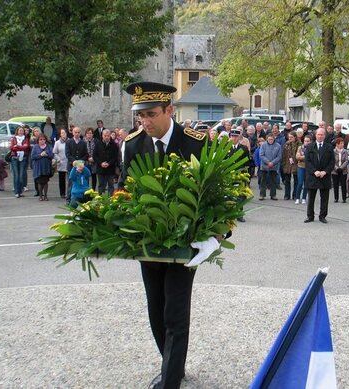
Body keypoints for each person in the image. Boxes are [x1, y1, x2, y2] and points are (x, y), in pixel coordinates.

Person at [122, 81, 213, 389]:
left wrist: (215, 236)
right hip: (149, 245)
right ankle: (173, 365)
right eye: (140, 116)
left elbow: (220, 192)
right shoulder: (133, 145)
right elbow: (125, 191)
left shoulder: (196, 143)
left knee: (175, 313)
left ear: (169, 110)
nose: (144, 122)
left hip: (184, 244)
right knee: (156, 314)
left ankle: (170, 381)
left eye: (150, 114)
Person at [304, 128, 335, 223]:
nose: (320, 136)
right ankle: (310, 216)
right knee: (311, 198)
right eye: (318, 134)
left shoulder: (329, 147)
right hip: (312, 176)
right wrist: (315, 171)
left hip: (324, 176)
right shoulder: (309, 147)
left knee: (324, 198)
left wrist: (325, 172)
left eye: (322, 135)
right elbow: (307, 161)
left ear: (325, 136)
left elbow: (332, 162)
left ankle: (322, 216)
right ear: (315, 135)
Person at [228, 128, 249, 222]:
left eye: (236, 136)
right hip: (229, 174)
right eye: (232, 136)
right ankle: (229, 214)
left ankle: (239, 214)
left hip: (240, 174)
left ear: (239, 137)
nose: (234, 138)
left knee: (240, 195)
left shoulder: (243, 148)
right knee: (229, 194)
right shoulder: (226, 148)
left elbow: (247, 161)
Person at [65, 127, 88, 204]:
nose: (77, 134)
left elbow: (86, 154)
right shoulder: (68, 142)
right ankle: (69, 199)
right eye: (75, 132)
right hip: (71, 165)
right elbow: (67, 154)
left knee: (81, 182)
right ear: (73, 133)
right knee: (71, 182)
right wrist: (74, 161)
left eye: (78, 132)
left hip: (81, 166)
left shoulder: (83, 142)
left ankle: (81, 198)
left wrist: (80, 162)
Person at [94, 129, 118, 196]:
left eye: (108, 136)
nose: (106, 137)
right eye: (105, 136)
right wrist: (101, 163)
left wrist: (109, 163)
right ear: (102, 136)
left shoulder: (114, 145)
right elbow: (95, 156)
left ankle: (111, 200)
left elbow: (115, 157)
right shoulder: (98, 144)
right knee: (101, 185)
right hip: (100, 168)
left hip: (110, 168)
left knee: (111, 185)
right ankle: (101, 200)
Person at [258, 133, 281, 201]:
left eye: (272, 139)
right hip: (264, 166)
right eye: (269, 139)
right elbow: (261, 155)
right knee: (263, 181)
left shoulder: (278, 146)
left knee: (273, 181)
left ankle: (273, 195)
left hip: (274, 166)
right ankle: (262, 195)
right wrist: (268, 162)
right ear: (267, 139)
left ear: (274, 139)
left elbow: (279, 156)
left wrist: (272, 163)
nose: (270, 140)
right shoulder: (263, 145)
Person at [31, 133, 54, 201]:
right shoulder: (35, 147)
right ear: (38, 140)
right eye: (40, 139)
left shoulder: (49, 146)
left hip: (46, 166)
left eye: (44, 139)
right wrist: (40, 155)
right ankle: (40, 195)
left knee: (45, 181)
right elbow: (33, 156)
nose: (42, 141)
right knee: (40, 182)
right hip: (38, 167)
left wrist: (46, 154)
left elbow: (52, 155)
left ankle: (46, 196)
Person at [10, 126, 30, 198]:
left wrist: (17, 146)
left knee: (21, 176)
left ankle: (20, 191)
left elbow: (26, 147)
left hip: (23, 158)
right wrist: (21, 147)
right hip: (15, 158)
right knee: (16, 175)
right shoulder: (14, 138)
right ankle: (16, 192)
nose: (21, 132)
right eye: (19, 130)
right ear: (17, 131)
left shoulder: (26, 139)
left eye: (22, 130)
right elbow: (12, 147)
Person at [281, 131, 299, 200]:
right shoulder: (286, 144)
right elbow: (284, 155)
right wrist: (284, 164)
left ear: (295, 137)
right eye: (289, 137)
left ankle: (295, 195)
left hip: (296, 164)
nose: (290, 138)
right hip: (287, 164)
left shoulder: (299, 145)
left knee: (296, 181)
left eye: (291, 137)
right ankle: (287, 195)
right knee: (287, 180)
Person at [294, 135, 311, 204]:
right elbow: (297, 157)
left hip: (308, 168)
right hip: (301, 167)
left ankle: (304, 198)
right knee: (300, 183)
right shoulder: (300, 148)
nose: (306, 142)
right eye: (305, 141)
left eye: (308, 141)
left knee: (306, 183)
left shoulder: (312, 148)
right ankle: (297, 198)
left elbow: (312, 158)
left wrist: (303, 157)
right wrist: (305, 156)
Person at [52, 129, 69, 198]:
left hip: (69, 162)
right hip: (61, 163)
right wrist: (58, 159)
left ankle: (69, 192)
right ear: (60, 134)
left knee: (70, 179)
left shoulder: (70, 141)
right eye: (62, 133)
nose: (64, 134)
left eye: (64, 133)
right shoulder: (57, 143)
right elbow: (54, 153)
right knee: (62, 179)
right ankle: (62, 193)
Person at [332, 137, 349, 203]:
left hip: (343, 170)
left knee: (343, 184)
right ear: (337, 144)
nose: (342, 144)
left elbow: (347, 161)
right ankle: (336, 198)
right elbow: (332, 161)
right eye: (341, 143)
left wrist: (341, 167)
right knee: (335, 185)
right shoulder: (333, 151)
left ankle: (344, 198)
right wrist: (336, 168)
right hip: (335, 171)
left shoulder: (345, 151)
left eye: (343, 143)